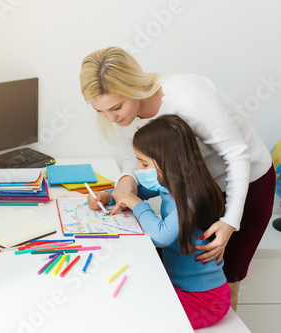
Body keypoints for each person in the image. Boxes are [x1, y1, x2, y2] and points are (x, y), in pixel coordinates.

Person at [80, 46, 276, 311]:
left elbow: (237, 155)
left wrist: (230, 221)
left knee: (226, 279)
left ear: (134, 87)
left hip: (247, 183)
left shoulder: (189, 98)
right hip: (201, 188)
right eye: (100, 112)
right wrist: (123, 190)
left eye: (116, 108)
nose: (111, 118)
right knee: (196, 273)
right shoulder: (124, 117)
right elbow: (133, 160)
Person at [88, 115, 231, 328]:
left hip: (204, 300)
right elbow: (137, 191)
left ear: (169, 162)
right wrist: (108, 196)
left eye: (144, 163)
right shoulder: (170, 184)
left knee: (129, 314)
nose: (138, 168)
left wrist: (136, 203)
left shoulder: (190, 199)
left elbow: (161, 236)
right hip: (178, 285)